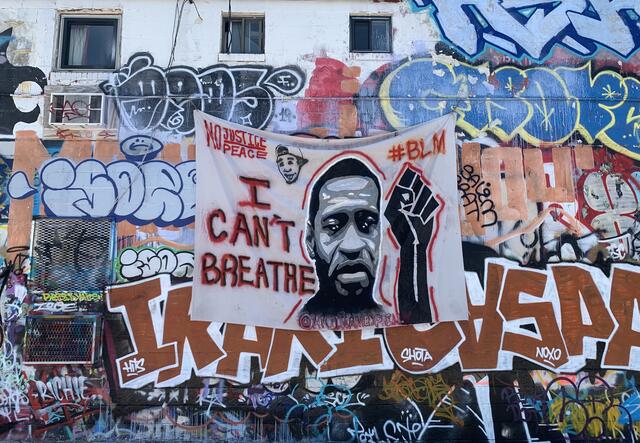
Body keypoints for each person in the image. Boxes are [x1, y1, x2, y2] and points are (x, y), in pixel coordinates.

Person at [301, 158, 383, 316]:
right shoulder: (296, 323)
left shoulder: (395, 318)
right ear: (311, 241)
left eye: (367, 224)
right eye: (333, 226)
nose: (352, 246)